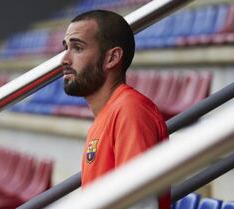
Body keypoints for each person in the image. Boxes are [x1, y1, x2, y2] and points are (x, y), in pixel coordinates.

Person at [62, 10, 170, 209]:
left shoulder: (131, 111)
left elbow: (140, 204)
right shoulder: (107, 114)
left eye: (77, 48)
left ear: (112, 58)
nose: (65, 59)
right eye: (66, 48)